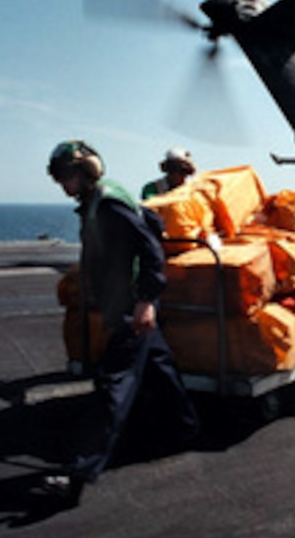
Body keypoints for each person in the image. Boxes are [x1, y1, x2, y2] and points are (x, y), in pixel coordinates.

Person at [44, 140, 200, 500]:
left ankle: (78, 472)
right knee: (161, 370)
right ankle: (185, 429)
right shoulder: (99, 200)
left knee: (113, 385)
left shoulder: (109, 201)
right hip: (125, 304)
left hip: (133, 305)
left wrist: (147, 301)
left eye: (66, 177)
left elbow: (149, 248)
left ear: (85, 173)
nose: (63, 186)